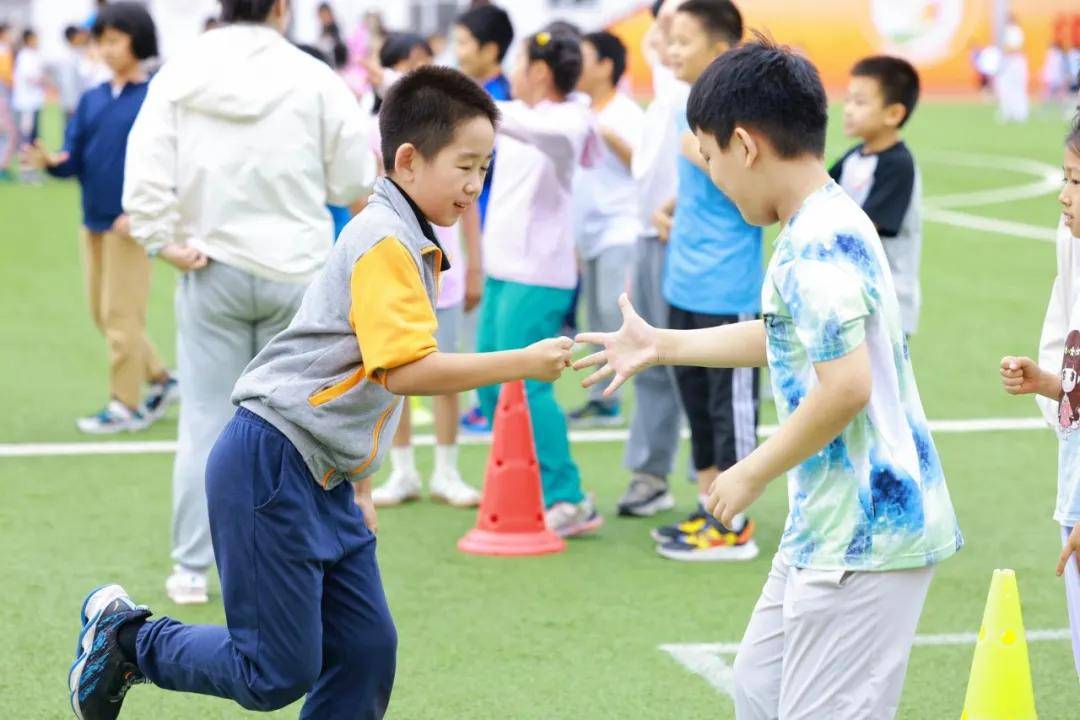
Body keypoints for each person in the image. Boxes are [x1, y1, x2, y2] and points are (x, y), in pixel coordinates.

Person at [69, 64, 574, 720]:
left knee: (363, 651)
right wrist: (521, 363)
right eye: (466, 167)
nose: (475, 186)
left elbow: (361, 376)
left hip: (320, 474)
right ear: (409, 160)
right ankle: (130, 640)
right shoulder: (387, 240)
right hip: (271, 465)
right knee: (274, 671)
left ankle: (134, 639)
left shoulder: (406, 236)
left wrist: (358, 485)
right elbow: (402, 372)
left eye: (486, 168)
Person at [576, 39, 963, 718]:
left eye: (709, 159)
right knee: (758, 690)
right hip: (830, 520)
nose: (714, 180)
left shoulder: (815, 242)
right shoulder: (820, 217)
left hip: (866, 535)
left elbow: (846, 387)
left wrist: (750, 471)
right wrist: (663, 344)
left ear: (745, 146)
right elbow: (784, 335)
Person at [122, 0, 374, 606]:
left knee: (206, 421)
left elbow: (146, 168)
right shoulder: (314, 76)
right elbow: (353, 178)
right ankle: (298, 563)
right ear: (281, 9)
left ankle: (190, 568)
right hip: (299, 273)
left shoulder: (183, 70)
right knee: (301, 426)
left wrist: (162, 238)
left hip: (214, 265)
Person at [22, 3, 175, 435]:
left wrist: (146, 211)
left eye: (114, 40)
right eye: (101, 41)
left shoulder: (155, 99)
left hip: (131, 224)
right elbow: (74, 159)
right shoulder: (91, 100)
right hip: (92, 220)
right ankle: (162, 380)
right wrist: (52, 161)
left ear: (137, 42)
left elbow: (170, 163)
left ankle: (124, 405)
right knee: (103, 315)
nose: (105, 50)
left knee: (122, 317)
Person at [649, 0, 763, 561]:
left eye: (684, 40)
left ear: (720, 50)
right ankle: (707, 509)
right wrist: (669, 207)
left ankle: (735, 524)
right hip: (684, 281)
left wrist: (695, 149)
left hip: (729, 287)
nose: (672, 50)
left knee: (730, 409)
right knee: (696, 402)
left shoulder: (737, 113)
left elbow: (750, 179)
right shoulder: (688, 108)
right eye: (670, 39)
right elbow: (701, 182)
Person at [478, 29, 603, 536]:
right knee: (487, 386)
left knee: (528, 388)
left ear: (539, 72)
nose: (510, 71)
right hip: (502, 269)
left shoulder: (571, 118)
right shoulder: (516, 117)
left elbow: (550, 135)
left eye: (517, 62)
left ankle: (568, 498)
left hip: (539, 276)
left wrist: (483, 107)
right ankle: (524, 486)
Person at [365, 33, 485, 509]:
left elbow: (471, 209)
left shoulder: (455, 132)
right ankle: (404, 471)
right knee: (398, 376)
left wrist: (475, 266)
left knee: (447, 371)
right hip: (402, 270)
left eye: (423, 62)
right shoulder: (382, 131)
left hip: (446, 275)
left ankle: (448, 471)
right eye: (407, 65)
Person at [1000, 112, 1080, 679]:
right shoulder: (1070, 243)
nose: (1062, 195)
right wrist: (1051, 385)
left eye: (1077, 182)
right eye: (1065, 177)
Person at [616, 0, 688, 518]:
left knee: (704, 368)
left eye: (676, 28)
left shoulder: (706, 90)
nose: (663, 37)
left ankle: (720, 483)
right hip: (649, 238)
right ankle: (651, 475)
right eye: (661, 26)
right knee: (651, 359)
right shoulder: (666, 86)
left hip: (690, 244)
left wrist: (680, 215)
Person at [567, 30, 643, 427]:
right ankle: (601, 396)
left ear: (606, 66)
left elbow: (642, 167)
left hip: (619, 228)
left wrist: (607, 135)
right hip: (588, 235)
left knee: (612, 314)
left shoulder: (625, 113)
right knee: (593, 318)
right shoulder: (577, 108)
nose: (577, 65)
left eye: (585, 57)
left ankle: (612, 398)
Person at [452, 2, 515, 434]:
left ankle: (484, 400)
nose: (456, 51)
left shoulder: (501, 101)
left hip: (494, 221)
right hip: (478, 218)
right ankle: (482, 399)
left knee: (486, 316)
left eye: (463, 43)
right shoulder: (478, 95)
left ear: (491, 49)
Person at [830, 56, 923, 337]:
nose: (847, 110)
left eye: (859, 103)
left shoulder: (898, 165)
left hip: (885, 303)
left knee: (879, 381)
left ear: (893, 114)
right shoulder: (853, 158)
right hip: (850, 299)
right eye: (848, 100)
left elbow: (865, 228)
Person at [12, 28, 46, 183]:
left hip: (33, 103)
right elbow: (30, 78)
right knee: (27, 138)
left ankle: (32, 170)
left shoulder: (33, 55)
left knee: (33, 138)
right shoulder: (25, 57)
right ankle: (26, 172)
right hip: (27, 104)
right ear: (29, 39)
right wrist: (44, 81)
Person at [57, 26, 90, 128]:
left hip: (78, 102)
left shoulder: (78, 54)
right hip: (73, 104)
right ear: (73, 37)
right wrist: (73, 104)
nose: (82, 38)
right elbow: (68, 83)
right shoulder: (68, 57)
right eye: (79, 35)